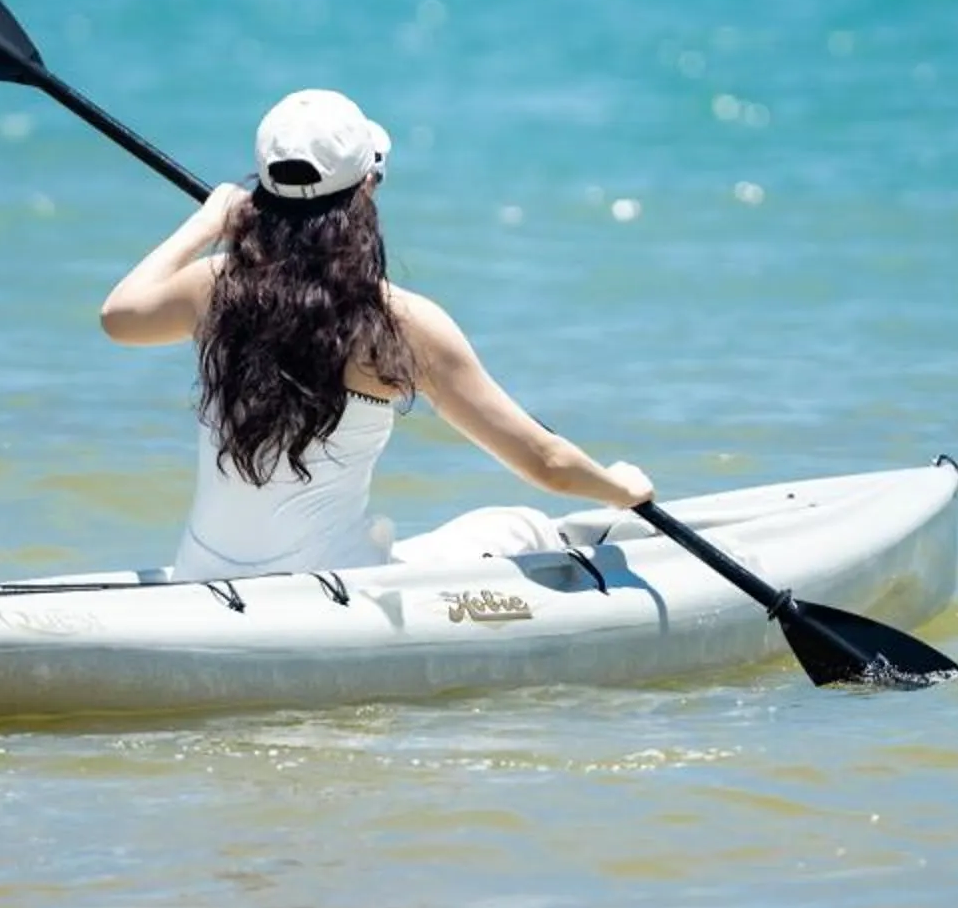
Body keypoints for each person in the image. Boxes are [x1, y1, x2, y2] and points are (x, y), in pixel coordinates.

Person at [101, 88, 655, 580]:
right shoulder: (402, 325)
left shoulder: (215, 290)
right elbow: (548, 465)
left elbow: (119, 316)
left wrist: (208, 222)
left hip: (201, 578)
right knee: (520, 525)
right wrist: (619, 488)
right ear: (367, 187)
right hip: (331, 589)